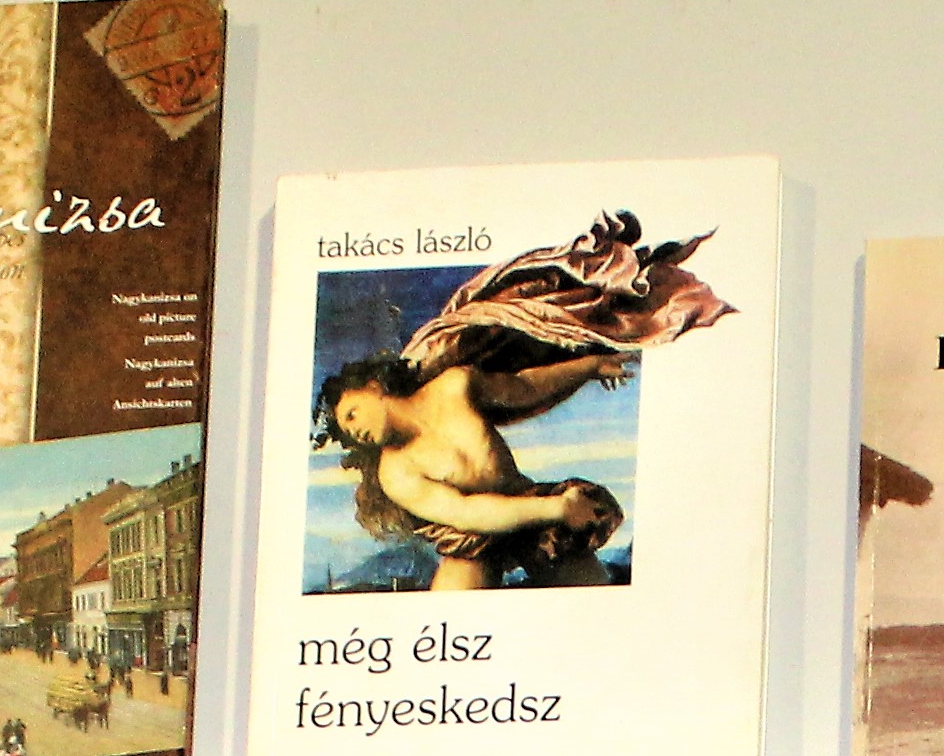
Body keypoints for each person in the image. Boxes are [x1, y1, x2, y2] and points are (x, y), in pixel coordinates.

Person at [313, 212, 732, 591]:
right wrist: (554, 509)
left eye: (352, 413)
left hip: (532, 509)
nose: (355, 430)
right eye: (348, 432)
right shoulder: (395, 472)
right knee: (454, 616)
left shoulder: (453, 386)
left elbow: (525, 387)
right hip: (476, 540)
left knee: (592, 594)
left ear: (374, 386)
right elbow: (465, 511)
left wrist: (589, 366)